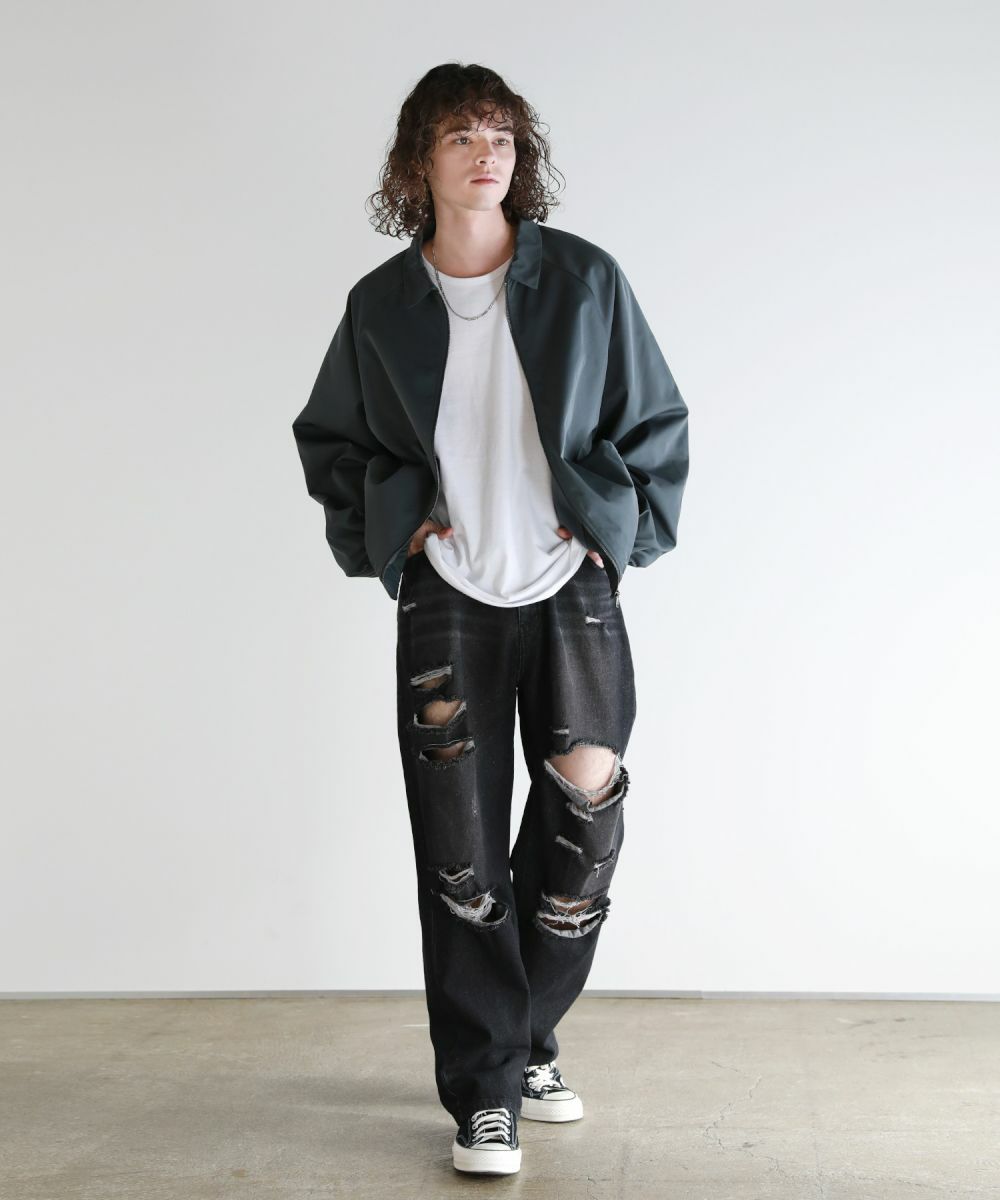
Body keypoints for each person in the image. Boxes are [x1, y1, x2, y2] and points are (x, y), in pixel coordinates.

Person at [292, 62, 689, 1177]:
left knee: (585, 816)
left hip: (571, 590)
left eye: (503, 136)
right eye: (462, 136)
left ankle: (520, 1039)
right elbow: (331, 443)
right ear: (418, 160)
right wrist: (395, 532)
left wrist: (616, 528)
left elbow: (654, 418)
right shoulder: (381, 306)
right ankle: (487, 1094)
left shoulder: (583, 280)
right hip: (449, 600)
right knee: (461, 857)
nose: (487, 154)